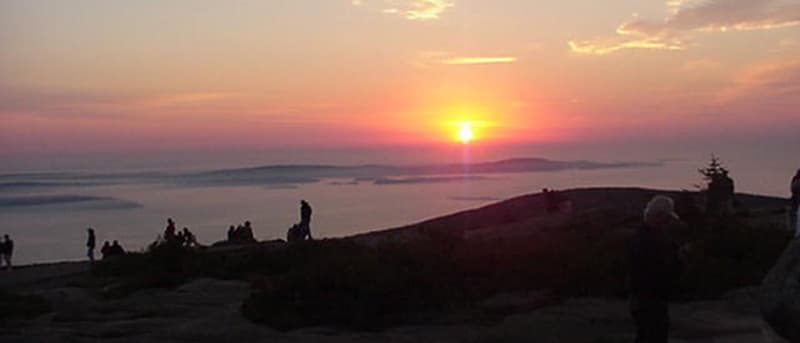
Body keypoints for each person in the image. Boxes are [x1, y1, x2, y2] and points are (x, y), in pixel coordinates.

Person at [630, 195, 686, 343]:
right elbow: (658, 269)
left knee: (648, 335)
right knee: (653, 335)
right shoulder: (647, 240)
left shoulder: (646, 236)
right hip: (650, 298)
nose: (667, 223)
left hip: (648, 298)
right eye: (666, 219)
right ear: (659, 217)